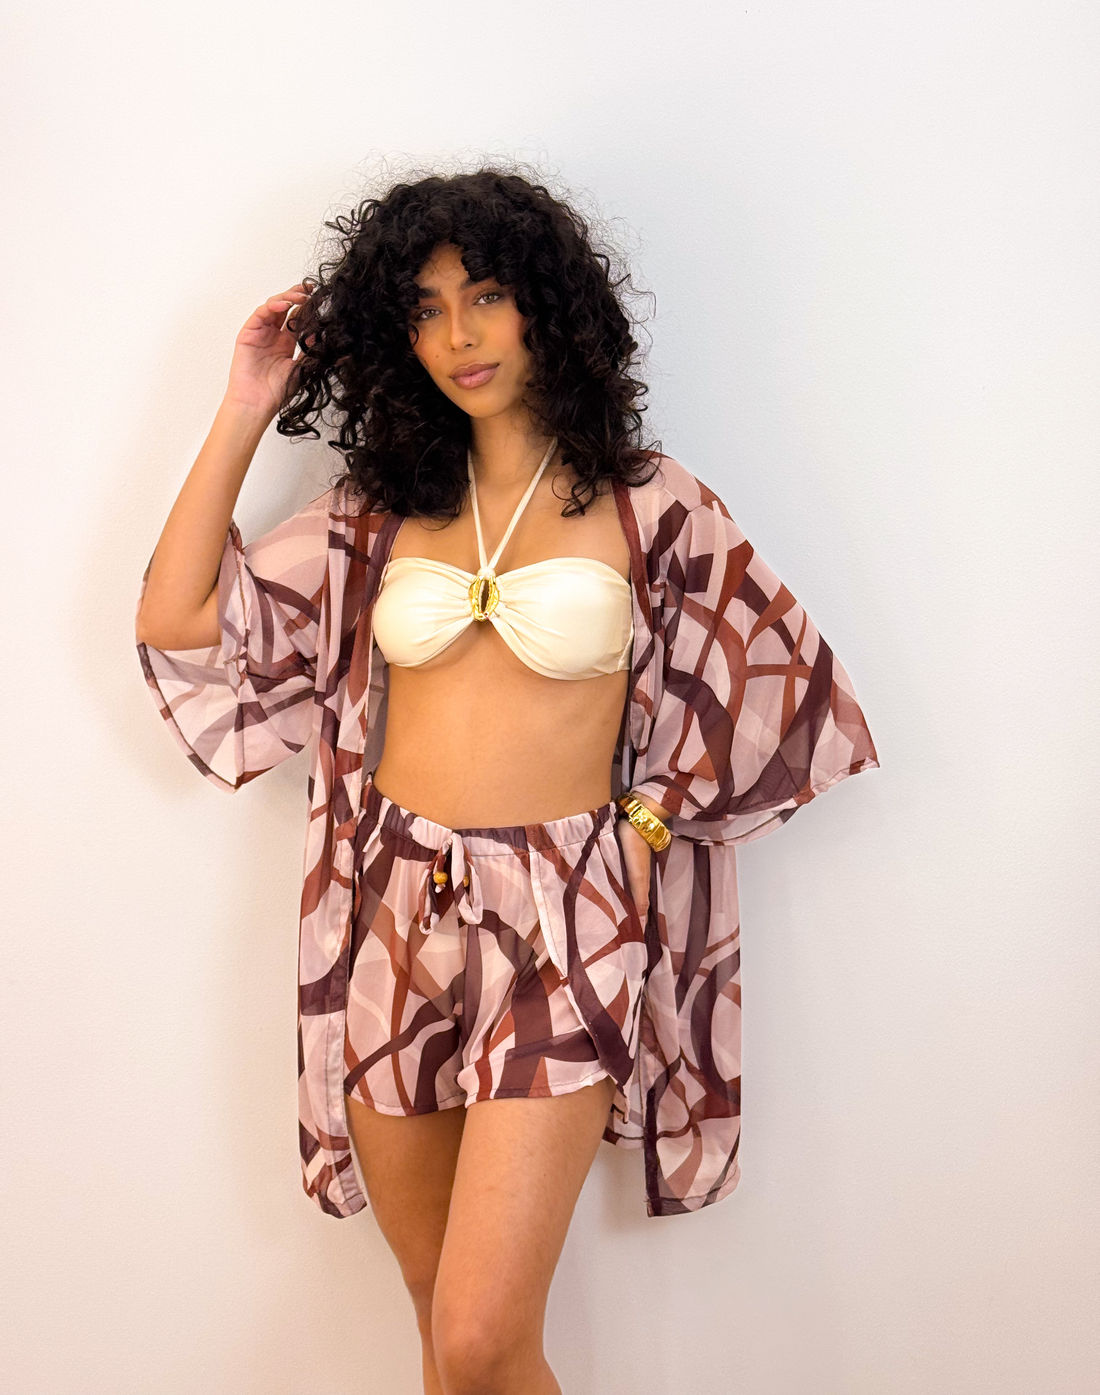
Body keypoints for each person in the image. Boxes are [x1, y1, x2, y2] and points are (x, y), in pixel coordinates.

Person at [135, 165, 879, 1395]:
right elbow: (178, 616)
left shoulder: (649, 504)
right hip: (390, 905)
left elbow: (779, 692)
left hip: (566, 915)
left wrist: (640, 827)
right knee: (439, 1322)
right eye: (425, 309)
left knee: (483, 1333)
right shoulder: (379, 513)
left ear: (546, 303)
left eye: (484, 295)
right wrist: (245, 404)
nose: (459, 336)